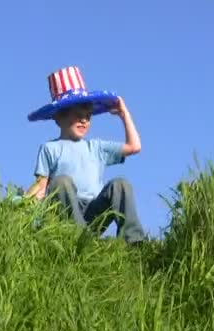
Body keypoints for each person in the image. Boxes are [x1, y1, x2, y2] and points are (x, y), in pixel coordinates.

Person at [24, 66, 146, 245]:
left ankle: (134, 242)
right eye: (78, 115)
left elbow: (134, 146)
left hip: (94, 210)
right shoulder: (49, 148)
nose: (84, 121)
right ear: (59, 117)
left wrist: (124, 114)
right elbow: (41, 187)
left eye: (88, 117)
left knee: (120, 184)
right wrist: (22, 204)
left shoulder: (96, 147)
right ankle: (79, 239)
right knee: (61, 181)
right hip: (66, 211)